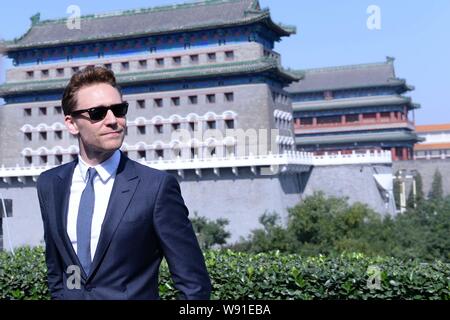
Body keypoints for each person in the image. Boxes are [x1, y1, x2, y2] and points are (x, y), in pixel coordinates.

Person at [37, 66, 211, 300]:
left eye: (118, 110)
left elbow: (194, 285)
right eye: (97, 113)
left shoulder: (156, 187)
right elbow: (60, 270)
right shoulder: (50, 185)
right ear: (71, 123)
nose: (113, 121)